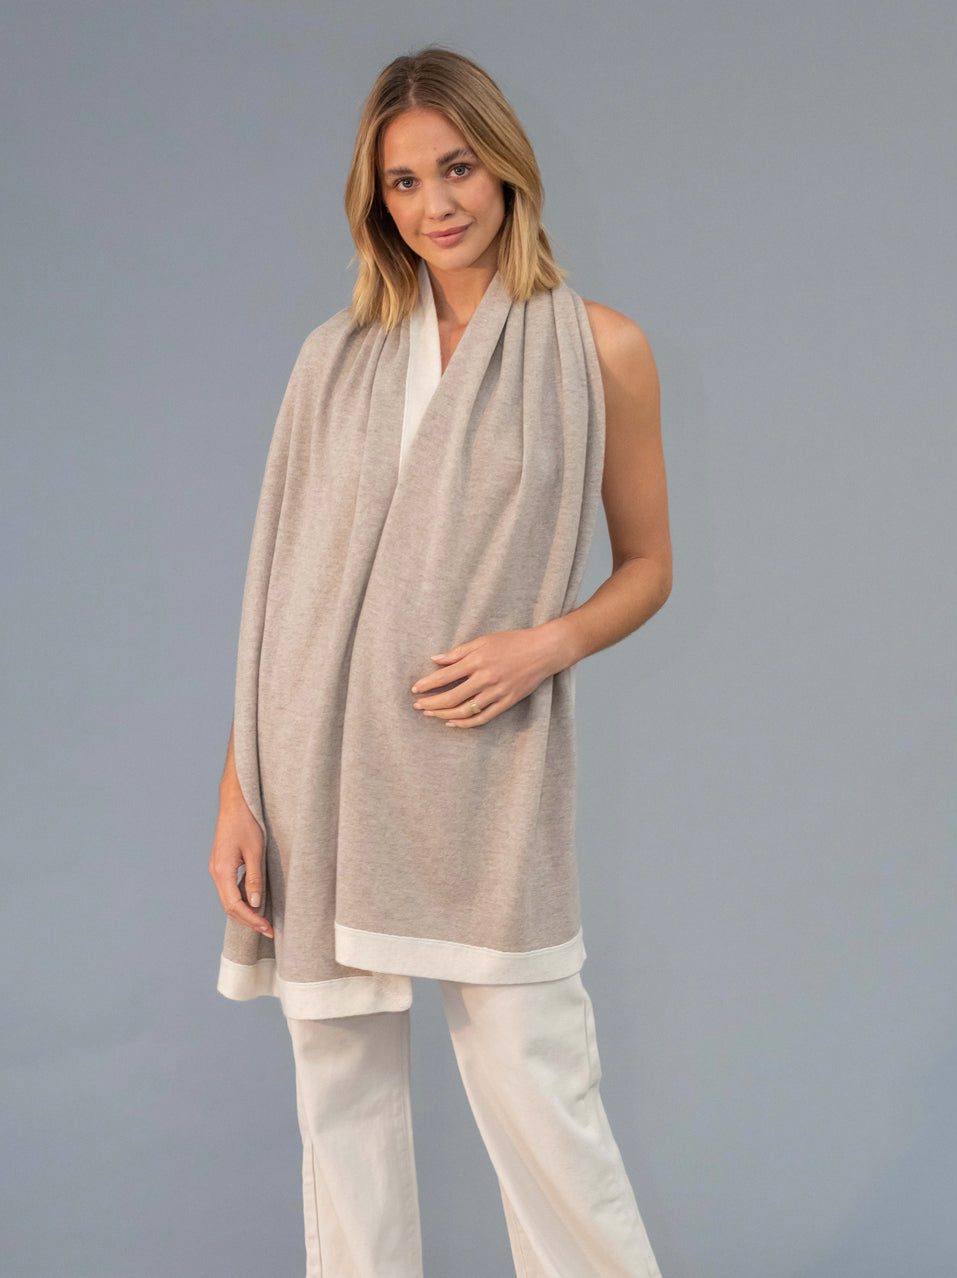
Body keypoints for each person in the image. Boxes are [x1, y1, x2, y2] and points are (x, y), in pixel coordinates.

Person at [209, 44, 671, 1277]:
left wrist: (544, 646)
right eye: (403, 182)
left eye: (456, 167)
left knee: (541, 1094)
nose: (436, 204)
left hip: (482, 764)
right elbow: (278, 595)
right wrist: (239, 794)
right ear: (377, 202)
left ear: (505, 165)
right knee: (341, 1106)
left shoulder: (599, 349)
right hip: (313, 770)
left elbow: (647, 565)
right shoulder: (333, 359)